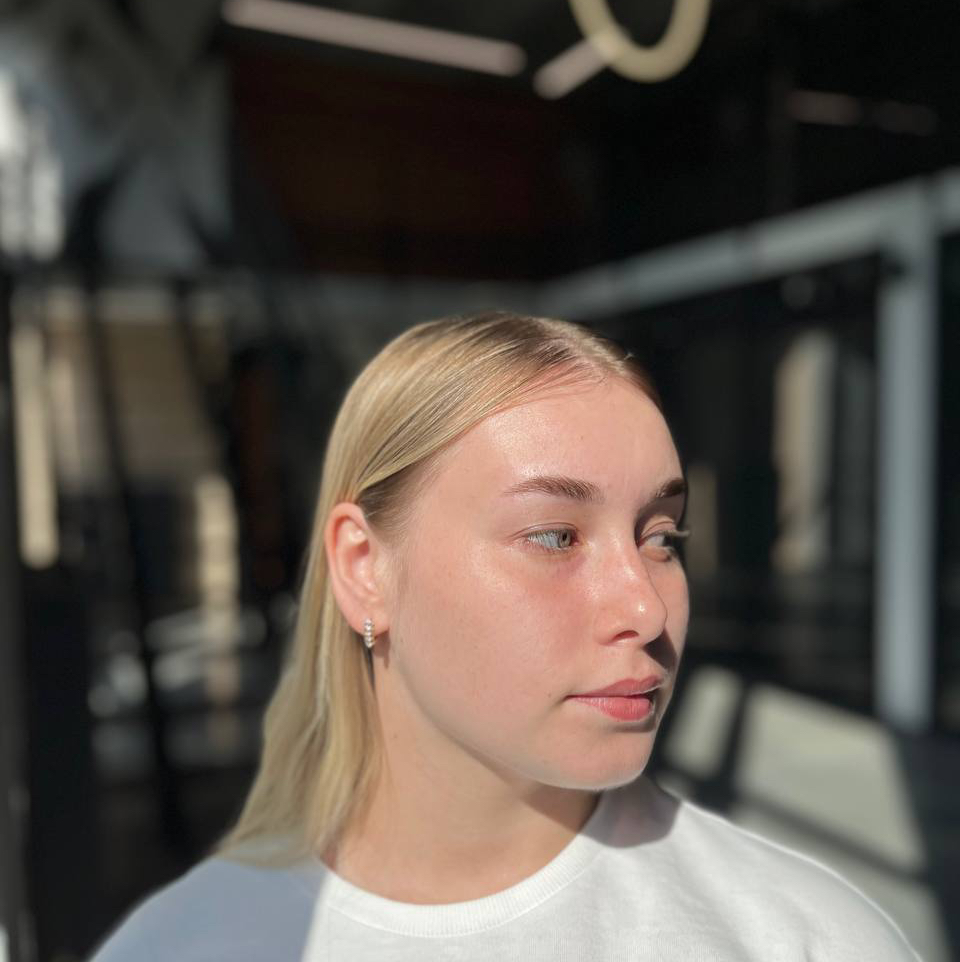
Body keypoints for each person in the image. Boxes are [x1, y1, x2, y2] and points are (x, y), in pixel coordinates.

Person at [90, 313, 922, 960]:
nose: (646, 606)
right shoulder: (183, 946)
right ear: (364, 568)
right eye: (555, 536)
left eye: (662, 537)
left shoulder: (808, 941)